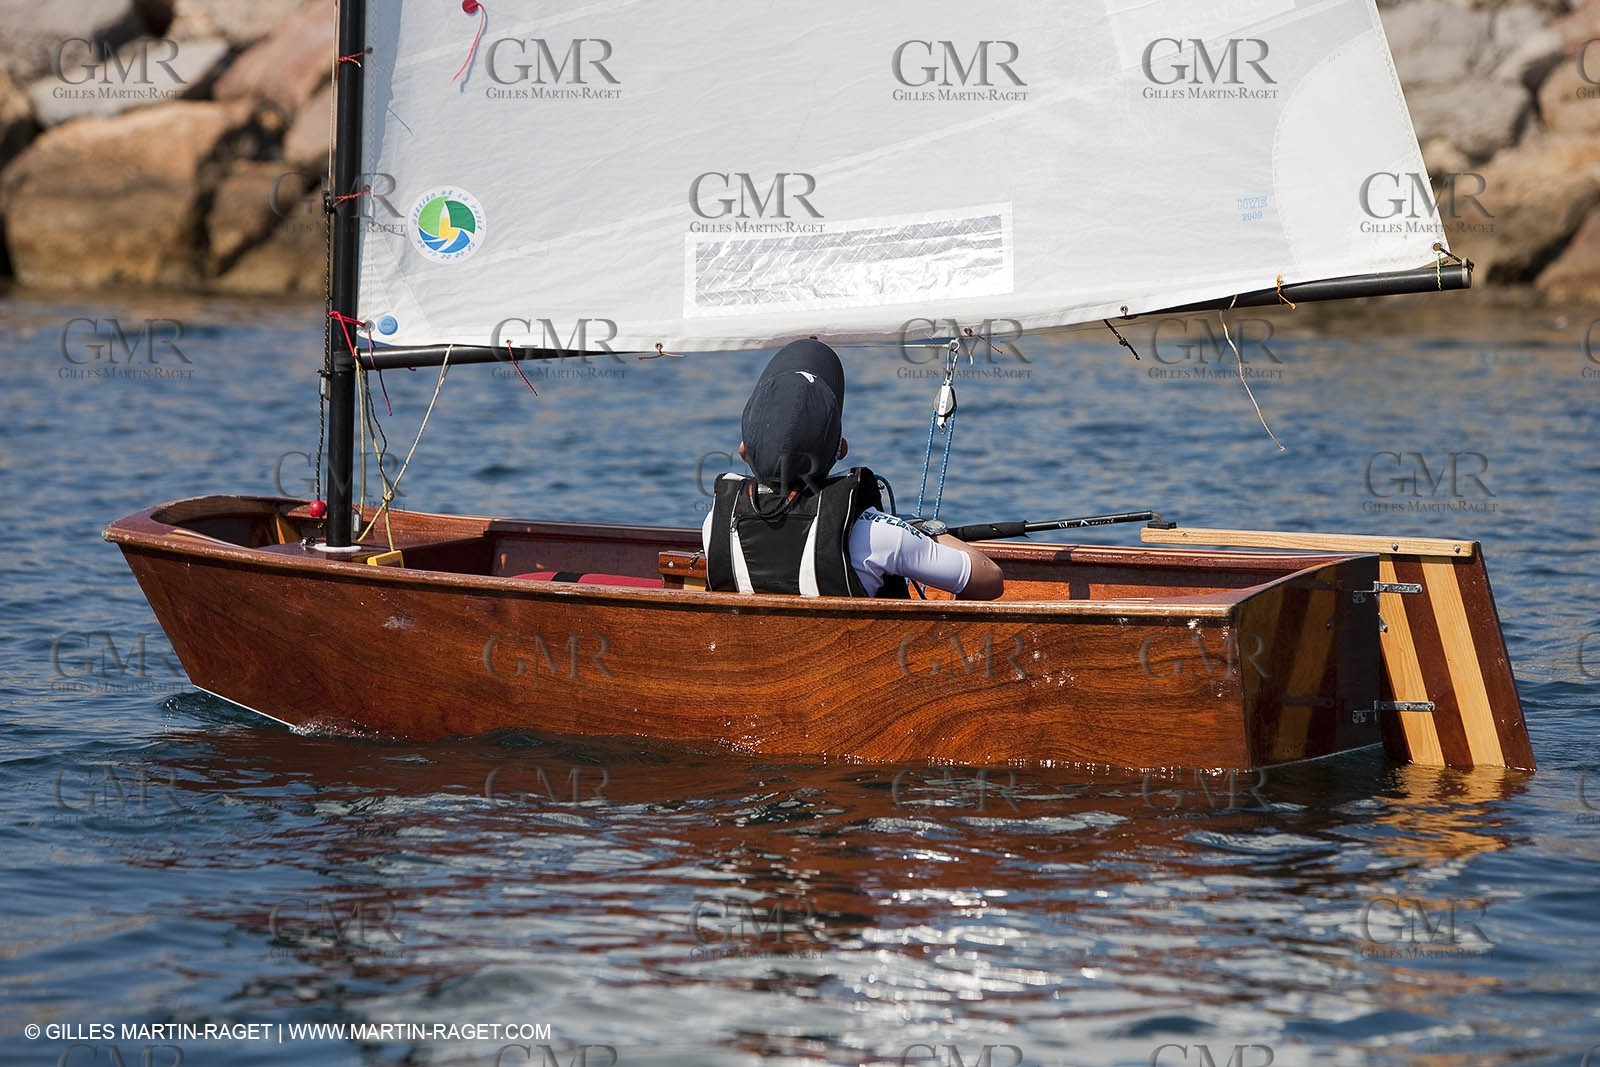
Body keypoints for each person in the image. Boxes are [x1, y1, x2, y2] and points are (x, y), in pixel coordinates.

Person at [702, 339, 1003, 600]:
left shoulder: (715, 521)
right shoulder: (876, 534)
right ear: (841, 450)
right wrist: (925, 531)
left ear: (743, 451)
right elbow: (989, 579)